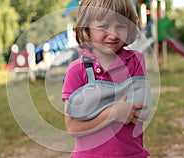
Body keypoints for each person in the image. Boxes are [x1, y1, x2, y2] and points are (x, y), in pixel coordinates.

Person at [62, 0, 151, 157]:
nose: (113, 34)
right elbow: (73, 127)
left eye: (121, 26)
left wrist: (93, 109)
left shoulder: (135, 61)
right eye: (103, 26)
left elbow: (139, 111)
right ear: (86, 27)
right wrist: (114, 113)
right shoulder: (76, 71)